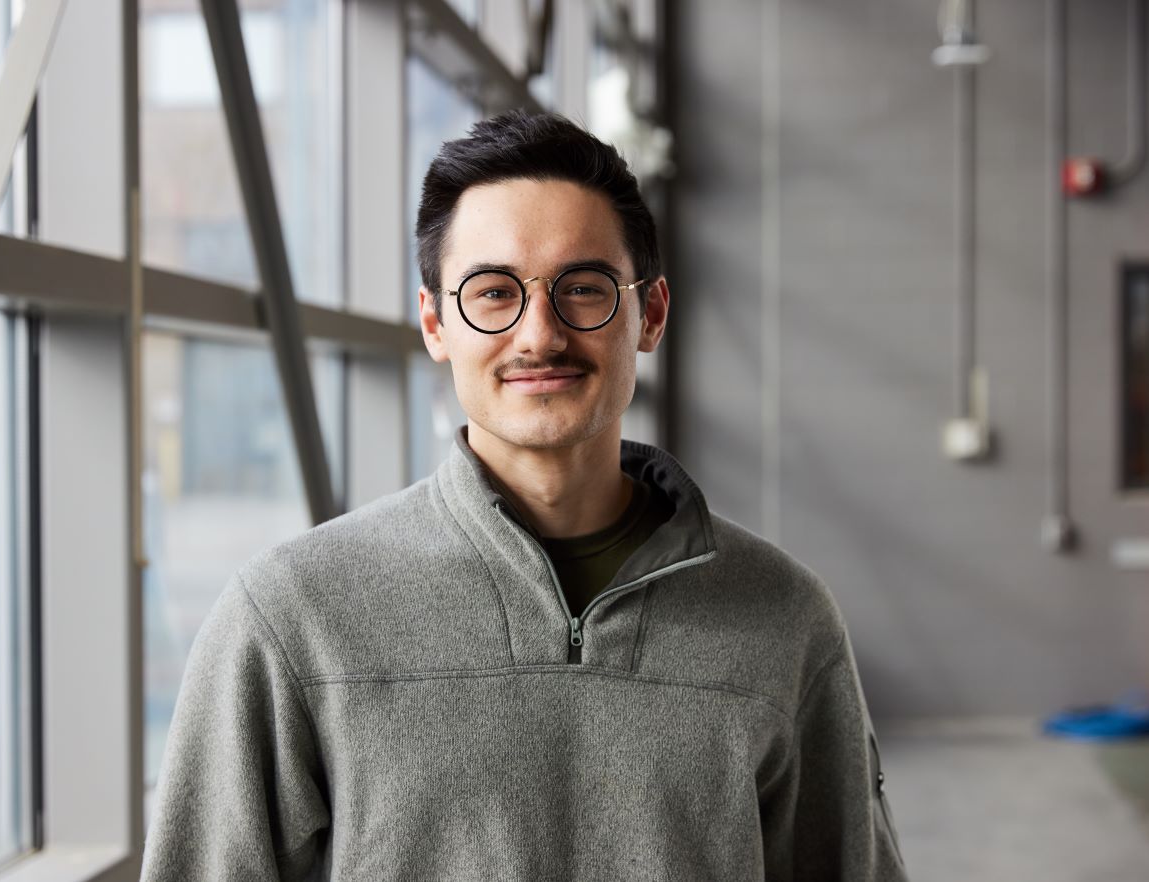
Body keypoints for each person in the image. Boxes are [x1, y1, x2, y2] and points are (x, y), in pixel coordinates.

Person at [139, 110, 909, 881]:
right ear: (436, 322)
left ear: (651, 313)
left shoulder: (784, 617)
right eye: (494, 292)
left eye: (583, 288)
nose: (539, 334)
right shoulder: (290, 618)